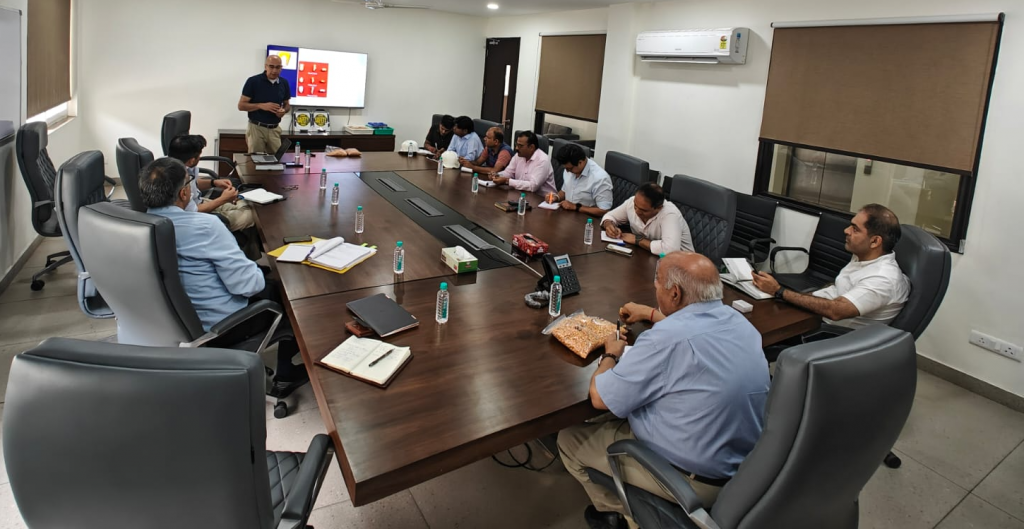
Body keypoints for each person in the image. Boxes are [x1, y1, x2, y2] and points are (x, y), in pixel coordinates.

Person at [559, 252, 770, 529]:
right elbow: (694, 323)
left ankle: (621, 516)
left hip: (690, 478)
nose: (654, 287)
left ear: (674, 293)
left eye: (657, 283)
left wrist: (611, 354)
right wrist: (649, 312)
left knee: (569, 440)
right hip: (742, 468)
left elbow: (599, 398)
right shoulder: (741, 324)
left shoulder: (664, 340)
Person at [140, 157, 308, 397]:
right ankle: (285, 375)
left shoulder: (138, 225)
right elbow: (248, 286)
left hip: (169, 322)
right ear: (184, 193)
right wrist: (252, 267)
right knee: (289, 295)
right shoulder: (205, 226)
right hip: (219, 327)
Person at [751, 204, 910, 330]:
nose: (846, 231)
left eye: (855, 229)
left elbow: (836, 311)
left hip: (830, 335)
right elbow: (839, 287)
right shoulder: (864, 257)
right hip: (816, 315)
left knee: (755, 328)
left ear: (875, 241)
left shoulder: (882, 278)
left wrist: (779, 291)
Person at [167, 135, 254, 232]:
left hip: (200, 202)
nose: (199, 158)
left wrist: (213, 182)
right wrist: (223, 199)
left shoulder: (177, 165)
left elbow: (194, 185)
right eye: (199, 156)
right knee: (252, 215)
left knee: (249, 204)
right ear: (191, 160)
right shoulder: (179, 177)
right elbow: (193, 211)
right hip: (197, 218)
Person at [600, 183, 693, 255]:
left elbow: (670, 250)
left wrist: (638, 240)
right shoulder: (633, 202)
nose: (637, 211)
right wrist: (609, 225)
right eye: (635, 206)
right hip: (649, 256)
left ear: (658, 208)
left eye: (643, 210)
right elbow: (610, 216)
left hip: (683, 265)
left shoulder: (670, 214)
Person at [238, 55, 291, 154]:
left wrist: (284, 111)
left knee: (278, 160)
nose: (274, 70)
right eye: (271, 66)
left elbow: (287, 104)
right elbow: (241, 106)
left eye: (278, 67)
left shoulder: (284, 83)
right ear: (265, 66)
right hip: (256, 128)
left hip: (275, 129)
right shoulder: (253, 81)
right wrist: (260, 106)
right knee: (255, 161)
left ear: (281, 68)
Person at [553, 143, 613, 216]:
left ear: (580, 162)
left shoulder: (600, 178)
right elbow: (565, 190)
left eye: (569, 168)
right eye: (565, 168)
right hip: (568, 216)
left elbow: (604, 210)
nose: (567, 171)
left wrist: (576, 207)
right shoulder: (569, 169)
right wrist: (556, 197)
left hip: (587, 220)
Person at [489, 131, 557, 195]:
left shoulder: (543, 160)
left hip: (543, 200)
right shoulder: (519, 155)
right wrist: (497, 175)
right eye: (516, 145)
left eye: (520, 146)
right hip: (522, 194)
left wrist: (507, 181)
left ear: (531, 147)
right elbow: (509, 172)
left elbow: (533, 186)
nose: (516, 148)